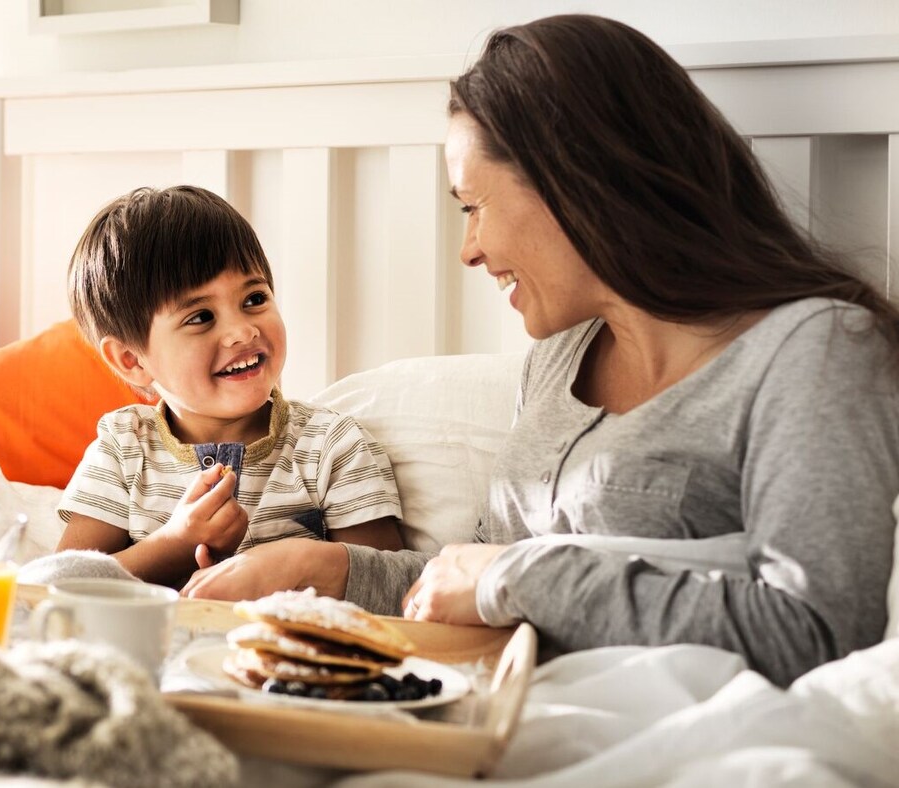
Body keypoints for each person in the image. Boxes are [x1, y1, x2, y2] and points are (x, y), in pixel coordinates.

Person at [179, 15, 899, 686]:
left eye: (472, 206)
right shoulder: (559, 360)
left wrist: (521, 580)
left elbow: (818, 632)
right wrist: (326, 568)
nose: (469, 249)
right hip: (500, 703)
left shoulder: (815, 351)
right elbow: (469, 585)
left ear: (572, 180)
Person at [47, 185, 404, 589]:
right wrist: (176, 543)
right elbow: (60, 585)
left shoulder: (332, 446)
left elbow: (386, 590)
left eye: (254, 299)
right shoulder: (123, 446)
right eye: (200, 316)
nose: (242, 331)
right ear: (132, 360)